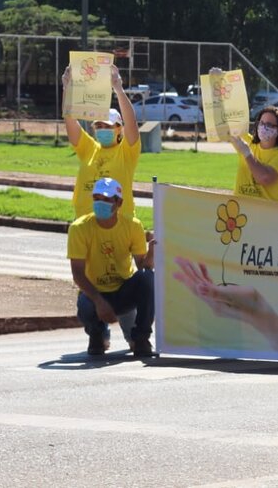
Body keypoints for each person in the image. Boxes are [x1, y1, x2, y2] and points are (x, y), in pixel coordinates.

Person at [68, 178, 155, 357]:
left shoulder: (133, 226)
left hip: (123, 290)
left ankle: (141, 339)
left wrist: (152, 254)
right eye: (97, 198)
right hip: (94, 293)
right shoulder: (79, 228)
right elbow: (77, 273)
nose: (101, 203)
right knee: (85, 305)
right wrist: (100, 302)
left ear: (119, 202)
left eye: (107, 199)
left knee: (149, 278)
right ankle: (96, 334)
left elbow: (142, 268)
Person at [62, 64, 141, 219]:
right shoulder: (88, 148)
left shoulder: (126, 151)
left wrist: (118, 89)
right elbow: (69, 119)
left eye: (108, 126)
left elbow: (131, 123)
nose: (102, 129)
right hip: (85, 223)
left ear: (119, 129)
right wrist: (67, 89)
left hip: (119, 224)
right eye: (98, 125)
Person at [231, 106, 278, 202]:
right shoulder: (248, 142)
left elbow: (265, 178)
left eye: (269, 125)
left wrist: (247, 153)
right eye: (261, 123)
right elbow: (223, 128)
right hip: (240, 209)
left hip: (265, 212)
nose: (263, 127)